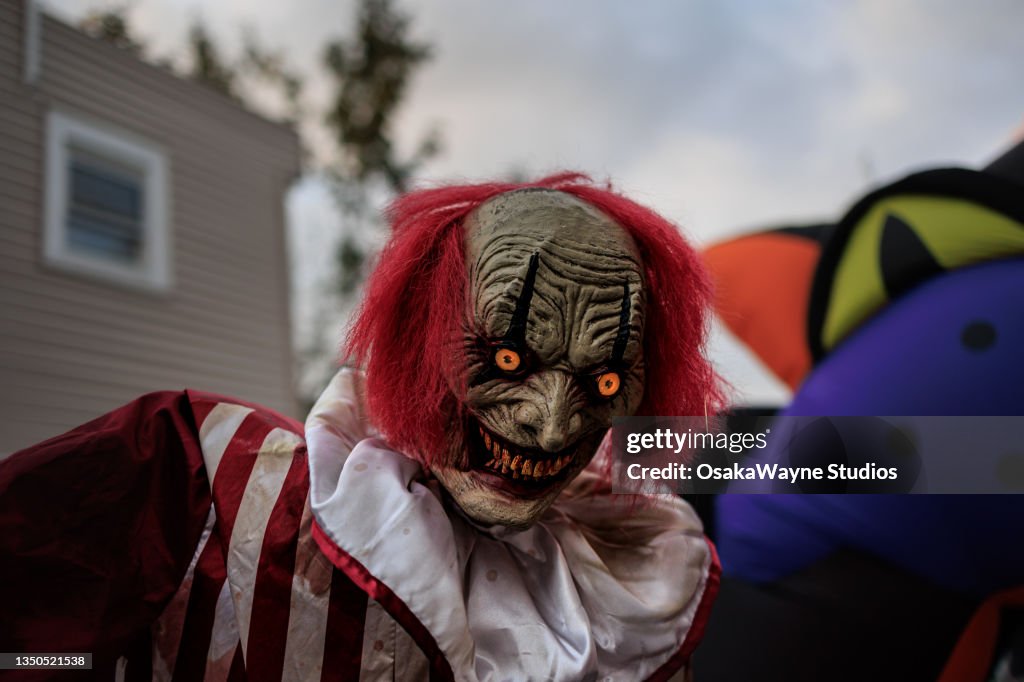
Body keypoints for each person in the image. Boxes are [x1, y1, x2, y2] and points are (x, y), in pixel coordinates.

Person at [0, 174, 722, 681]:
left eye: (600, 380)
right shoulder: (190, 474)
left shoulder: (642, 573)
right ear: (417, 332)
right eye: (506, 355)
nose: (552, 422)